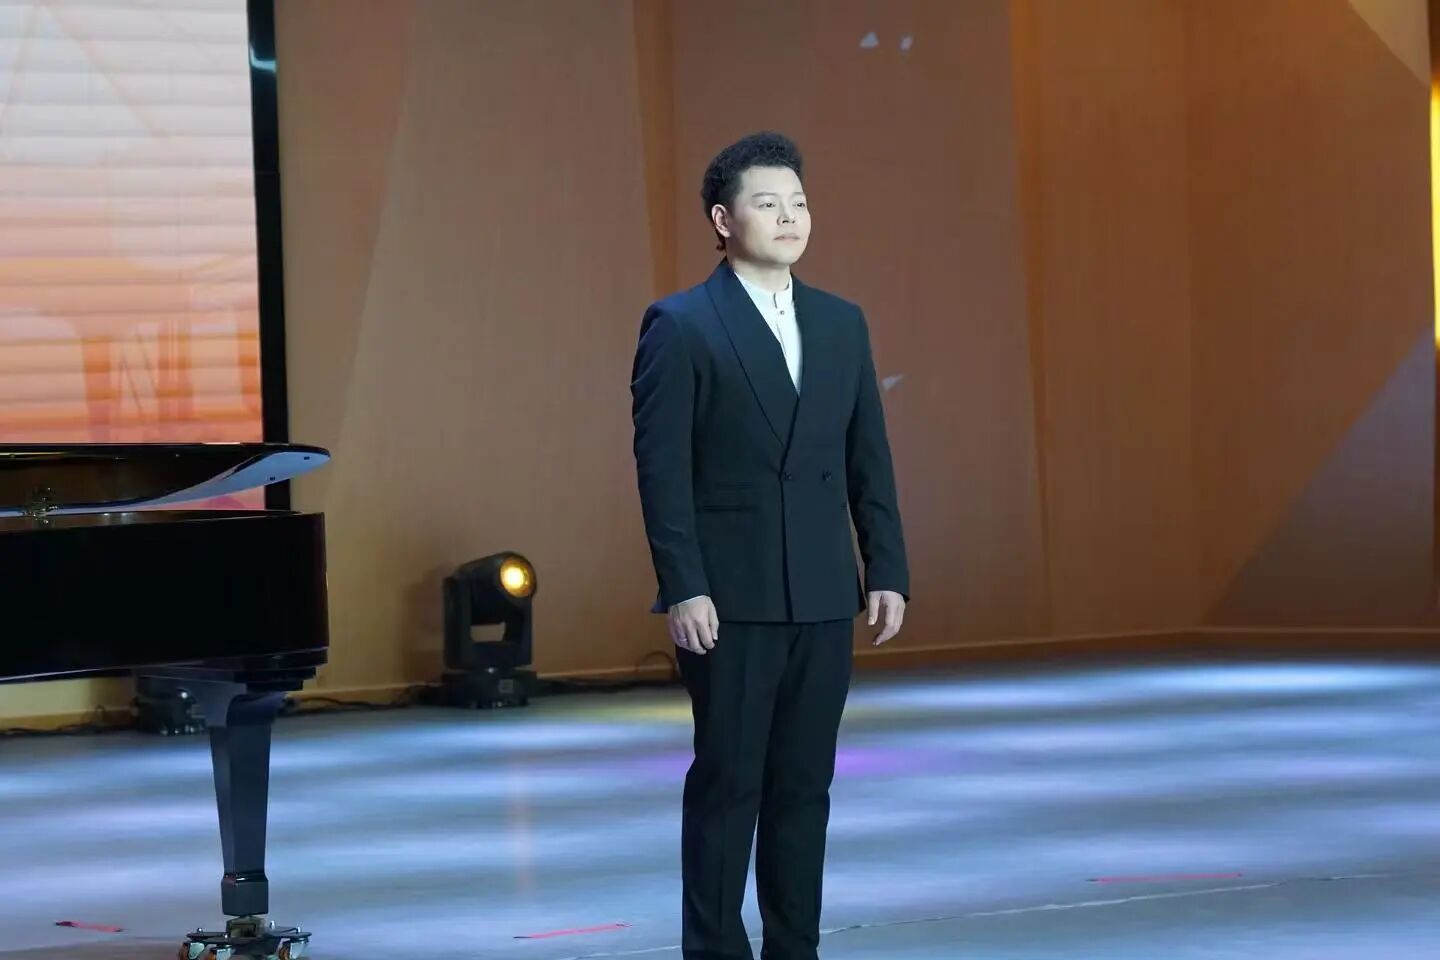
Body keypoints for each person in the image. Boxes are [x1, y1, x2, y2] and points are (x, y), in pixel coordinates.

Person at [630, 131, 910, 960]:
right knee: (729, 785)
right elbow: (662, 471)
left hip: (823, 590)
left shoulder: (841, 323)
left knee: (804, 788)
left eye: (799, 203)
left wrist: (885, 567)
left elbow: (868, 456)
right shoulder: (681, 325)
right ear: (723, 221)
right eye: (767, 203)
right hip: (731, 595)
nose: (790, 218)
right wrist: (684, 584)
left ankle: (796, 948)